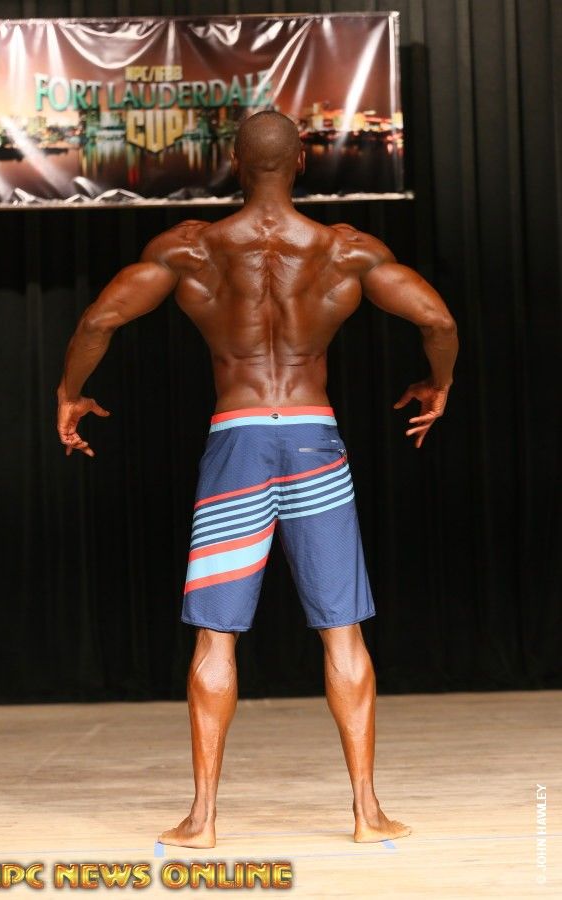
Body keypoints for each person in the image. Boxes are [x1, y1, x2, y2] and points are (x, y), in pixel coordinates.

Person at [57, 110, 458, 848]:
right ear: (300, 162)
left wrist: (69, 393)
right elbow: (436, 319)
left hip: (237, 441)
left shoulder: (190, 249)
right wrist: (440, 384)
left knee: (217, 636)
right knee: (343, 632)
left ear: (235, 164)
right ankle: (367, 813)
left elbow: (100, 320)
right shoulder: (344, 251)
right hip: (313, 439)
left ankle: (203, 820)